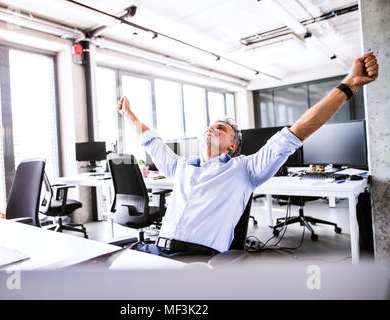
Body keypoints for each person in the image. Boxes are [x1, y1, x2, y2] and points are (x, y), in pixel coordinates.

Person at [116, 52, 379, 260]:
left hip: (196, 260)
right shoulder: (180, 167)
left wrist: (349, 84)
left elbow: (297, 131)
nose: (212, 128)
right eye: (210, 125)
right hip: (154, 252)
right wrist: (127, 114)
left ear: (232, 146)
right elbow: (150, 140)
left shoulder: (244, 170)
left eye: (221, 128)